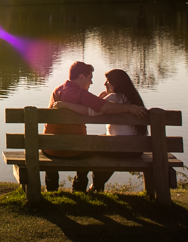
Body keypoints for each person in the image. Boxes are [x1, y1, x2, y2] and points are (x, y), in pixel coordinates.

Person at [44, 61, 146, 192]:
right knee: (91, 147)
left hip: (49, 148)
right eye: (90, 78)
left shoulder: (56, 91)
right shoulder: (82, 94)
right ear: (81, 77)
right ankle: (80, 187)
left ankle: (50, 188)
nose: (91, 83)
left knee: (92, 144)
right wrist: (130, 108)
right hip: (75, 150)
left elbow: (96, 106)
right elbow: (103, 108)